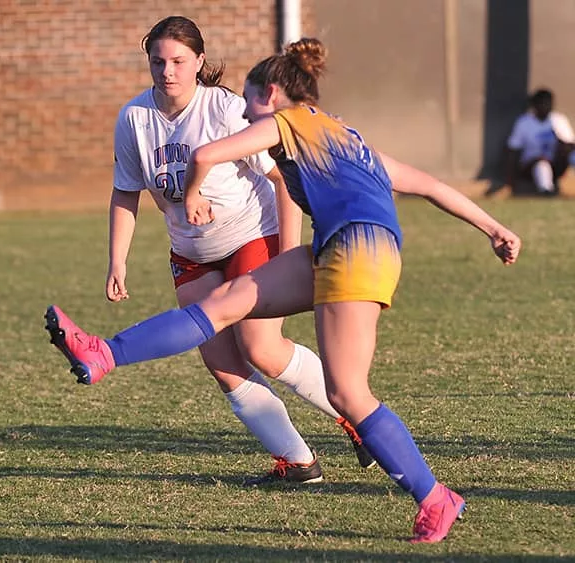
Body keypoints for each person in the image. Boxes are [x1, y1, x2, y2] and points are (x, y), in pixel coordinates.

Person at [45, 38, 521, 543]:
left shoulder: (284, 123)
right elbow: (426, 183)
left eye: (249, 101)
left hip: (355, 251)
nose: (244, 113)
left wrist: (192, 193)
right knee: (222, 306)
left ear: (271, 93)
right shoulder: (340, 131)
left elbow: (205, 154)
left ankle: (435, 497)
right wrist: (493, 227)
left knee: (347, 392)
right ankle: (103, 353)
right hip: (336, 245)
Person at [101, 15, 374, 483]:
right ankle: (298, 461)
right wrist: (117, 261)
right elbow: (126, 192)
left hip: (252, 235)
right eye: (158, 61)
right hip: (190, 251)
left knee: (261, 347)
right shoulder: (134, 118)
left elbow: (283, 180)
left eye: (179, 61)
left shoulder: (224, 110)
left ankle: (356, 416)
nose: (167, 71)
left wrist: (288, 252)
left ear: (199, 61)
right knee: (222, 363)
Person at [504, 88, 575, 196]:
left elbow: (570, 144)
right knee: (542, 165)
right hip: (531, 165)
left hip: (555, 163)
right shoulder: (524, 122)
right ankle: (546, 192)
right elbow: (513, 149)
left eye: (548, 103)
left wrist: (562, 147)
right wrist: (511, 178)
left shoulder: (558, 120)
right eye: (542, 103)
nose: (546, 106)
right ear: (534, 105)